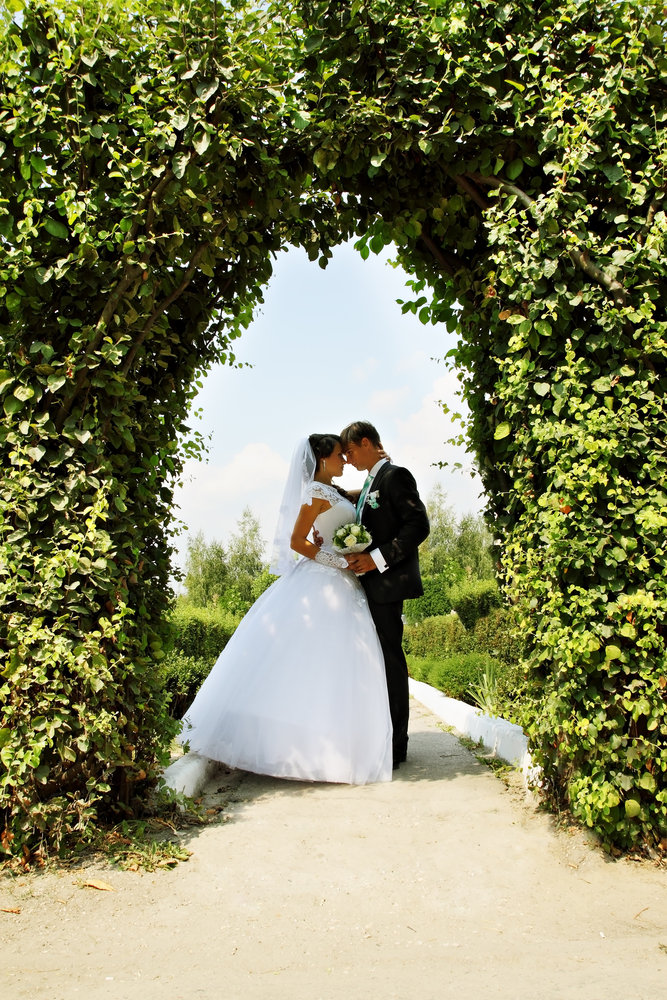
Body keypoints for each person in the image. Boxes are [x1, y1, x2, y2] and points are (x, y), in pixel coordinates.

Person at [170, 434, 393, 785]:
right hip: (322, 580)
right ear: (321, 459)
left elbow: (350, 507)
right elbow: (296, 541)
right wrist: (338, 560)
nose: (344, 460)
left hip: (345, 584)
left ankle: (334, 743)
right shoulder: (314, 494)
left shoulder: (334, 491)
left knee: (338, 665)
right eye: (338, 455)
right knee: (306, 660)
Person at [340, 421, 430, 768]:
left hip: (388, 584)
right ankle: (382, 737)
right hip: (372, 587)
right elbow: (367, 511)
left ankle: (397, 747)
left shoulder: (396, 476)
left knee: (391, 663)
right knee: (378, 662)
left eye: (349, 452)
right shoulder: (369, 484)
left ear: (366, 443)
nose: (347, 460)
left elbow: (418, 525)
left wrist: (376, 560)